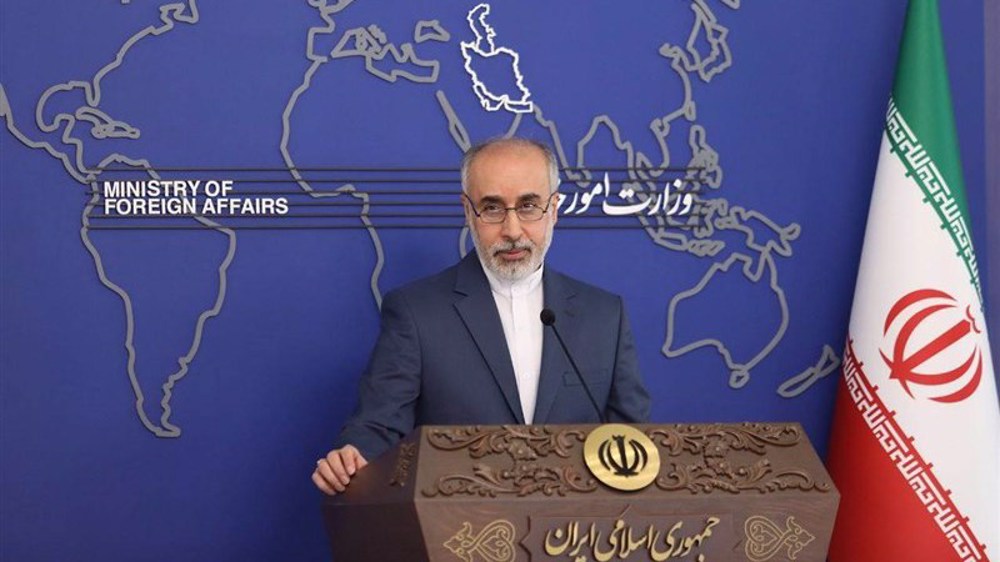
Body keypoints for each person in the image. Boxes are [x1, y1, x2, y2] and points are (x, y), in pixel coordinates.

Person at [312, 137, 650, 495]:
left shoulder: (604, 315)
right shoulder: (415, 312)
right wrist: (352, 457)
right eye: (492, 208)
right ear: (467, 211)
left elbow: (634, 440)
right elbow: (378, 427)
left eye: (529, 206)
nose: (513, 230)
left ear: (554, 209)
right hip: (459, 534)